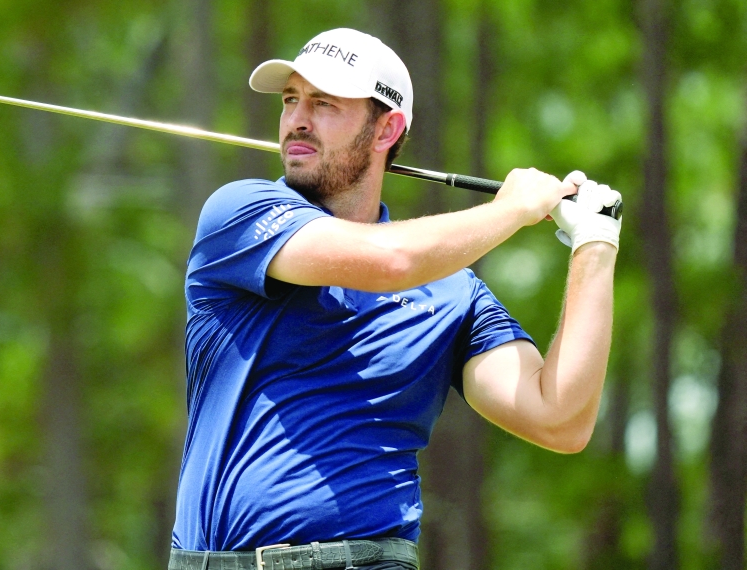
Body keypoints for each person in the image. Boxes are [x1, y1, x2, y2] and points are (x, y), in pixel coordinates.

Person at [168, 28, 621, 570]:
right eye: (291, 99)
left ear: (387, 128)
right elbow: (389, 262)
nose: (297, 120)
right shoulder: (240, 214)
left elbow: (560, 419)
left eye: (325, 103)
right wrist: (512, 209)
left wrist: (596, 243)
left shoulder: (454, 294)